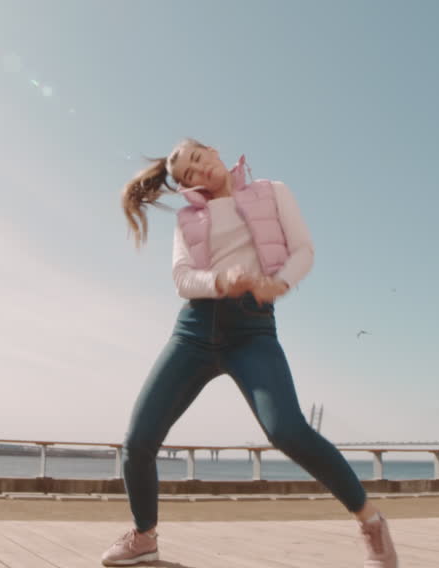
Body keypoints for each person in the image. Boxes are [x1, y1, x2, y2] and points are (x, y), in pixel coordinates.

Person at [101, 138, 400, 567]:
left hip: (252, 329)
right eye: (188, 175)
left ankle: (371, 522)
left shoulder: (272, 191)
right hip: (194, 331)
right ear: (186, 186)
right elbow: (182, 278)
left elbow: (303, 250)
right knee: (138, 440)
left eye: (199, 159)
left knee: (287, 431)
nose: (199, 171)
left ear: (214, 151)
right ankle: (144, 537)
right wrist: (221, 281)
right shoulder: (188, 218)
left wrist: (279, 283)